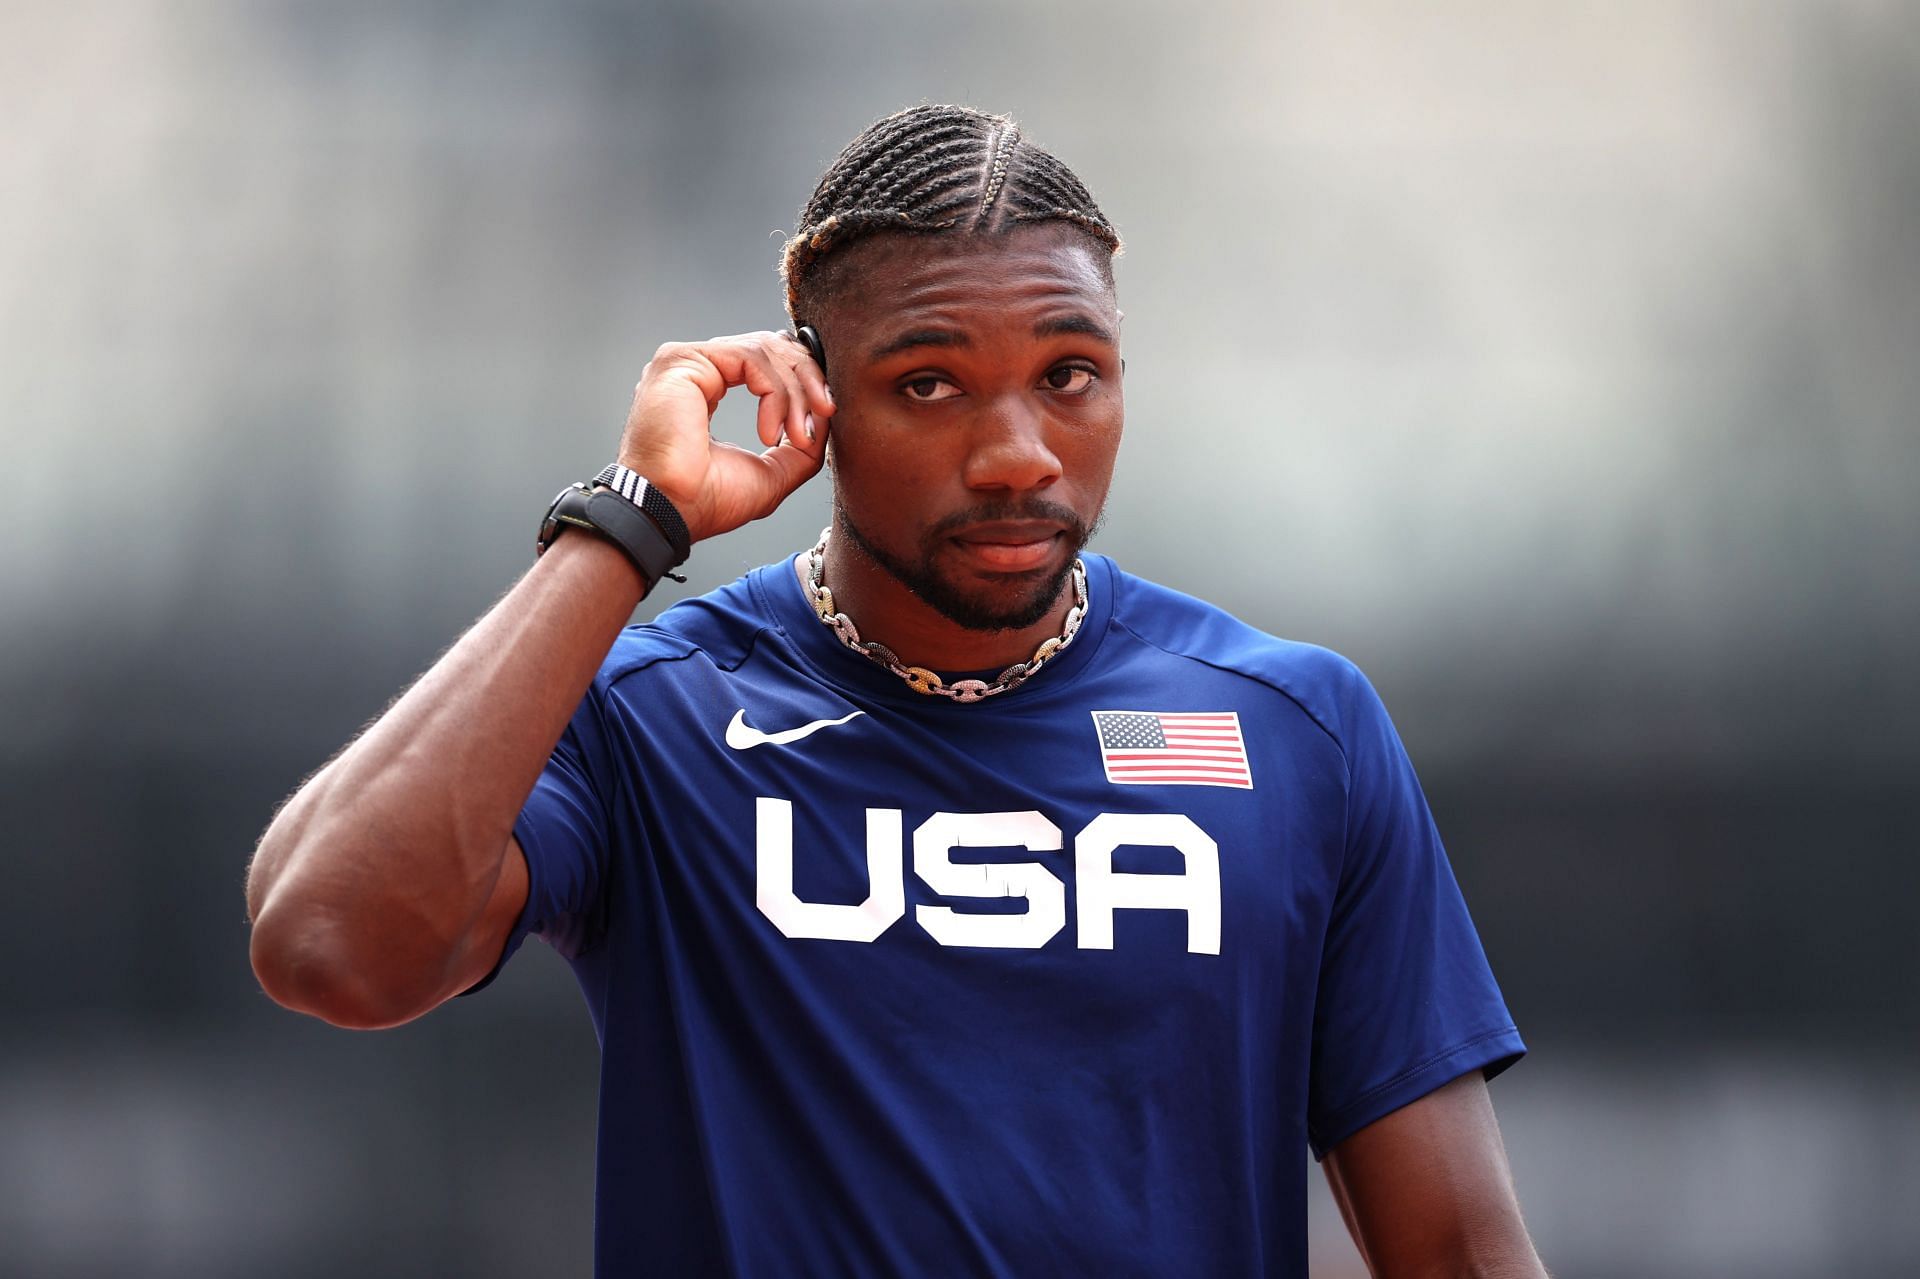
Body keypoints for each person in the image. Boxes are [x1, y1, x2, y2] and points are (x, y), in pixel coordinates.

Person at [246, 103, 1547, 1278]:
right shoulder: (663, 717)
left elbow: (1457, 1253)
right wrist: (627, 527)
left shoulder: (1289, 731)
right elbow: (329, 947)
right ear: (815, 401)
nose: (1017, 453)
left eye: (1069, 374)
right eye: (928, 384)